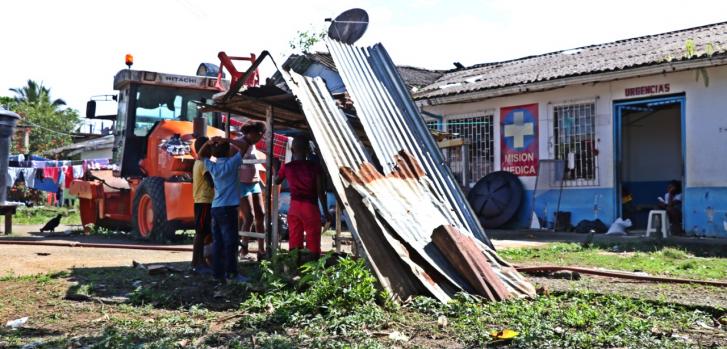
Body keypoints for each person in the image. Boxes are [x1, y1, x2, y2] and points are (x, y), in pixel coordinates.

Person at [197, 136, 251, 284]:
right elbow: (244, 146)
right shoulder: (232, 163)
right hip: (229, 209)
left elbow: (199, 155)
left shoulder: (212, 165)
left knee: (218, 243)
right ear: (228, 152)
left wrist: (208, 143)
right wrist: (228, 139)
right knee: (231, 243)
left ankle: (218, 274)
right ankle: (232, 274)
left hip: (216, 208)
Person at [275, 136, 331, 257]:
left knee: (294, 240)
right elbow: (321, 192)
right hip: (310, 207)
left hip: (294, 207)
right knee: (313, 239)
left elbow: (276, 181)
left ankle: (294, 266)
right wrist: (326, 212)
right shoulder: (315, 167)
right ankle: (312, 268)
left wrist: (276, 167)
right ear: (309, 151)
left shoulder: (287, 167)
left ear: (292, 150)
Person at [237, 122, 266, 259]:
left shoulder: (253, 145)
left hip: (254, 182)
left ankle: (262, 249)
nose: (260, 137)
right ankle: (244, 251)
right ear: (250, 133)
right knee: (249, 217)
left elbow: (254, 166)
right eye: (258, 134)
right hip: (242, 184)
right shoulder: (239, 143)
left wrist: (261, 182)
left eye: (262, 135)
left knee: (261, 214)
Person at [191, 137, 213, 273]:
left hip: (202, 201)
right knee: (201, 233)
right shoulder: (204, 163)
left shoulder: (198, 162)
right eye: (210, 147)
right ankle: (197, 262)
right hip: (204, 201)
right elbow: (211, 181)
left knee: (204, 232)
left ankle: (200, 261)